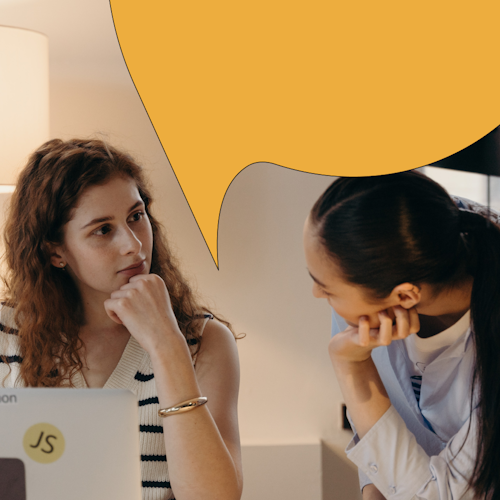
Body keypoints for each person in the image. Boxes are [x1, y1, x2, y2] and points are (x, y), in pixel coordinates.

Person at [0, 138, 243, 500]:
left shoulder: (204, 341)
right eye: (102, 229)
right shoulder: (6, 334)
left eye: (135, 216)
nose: (133, 245)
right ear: (56, 251)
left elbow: (215, 497)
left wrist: (166, 345)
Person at [303, 171, 500, 500]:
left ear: (406, 296)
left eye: (326, 288)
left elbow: (438, 495)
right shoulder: (371, 294)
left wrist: (352, 368)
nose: (316, 293)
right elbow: (379, 437)